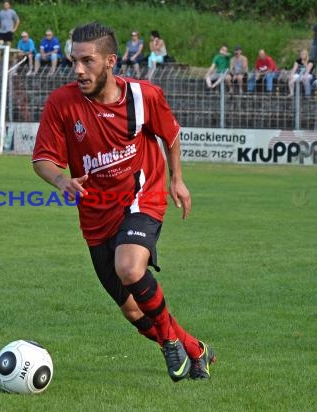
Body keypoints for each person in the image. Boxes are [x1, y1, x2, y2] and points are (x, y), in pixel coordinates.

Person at [32, 22, 215, 382]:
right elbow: (42, 159)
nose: (79, 70)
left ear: (111, 61)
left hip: (141, 195)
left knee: (130, 268)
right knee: (133, 311)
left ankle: (168, 345)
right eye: (74, 61)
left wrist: (177, 179)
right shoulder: (62, 103)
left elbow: (171, 135)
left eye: (88, 61)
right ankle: (195, 349)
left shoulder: (143, 96)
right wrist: (60, 180)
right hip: (95, 215)